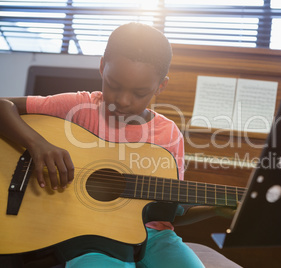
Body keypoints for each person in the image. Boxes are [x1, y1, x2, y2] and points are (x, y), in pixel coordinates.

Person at [0, 22, 234, 268]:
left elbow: (172, 209)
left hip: (157, 236)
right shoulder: (79, 108)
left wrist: (214, 209)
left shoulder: (168, 134)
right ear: (102, 67)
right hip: (88, 236)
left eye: (139, 92)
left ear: (161, 86)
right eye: (114, 85)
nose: (122, 100)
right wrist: (38, 144)